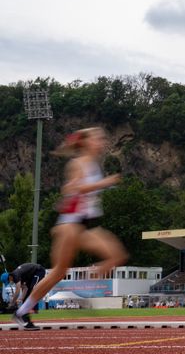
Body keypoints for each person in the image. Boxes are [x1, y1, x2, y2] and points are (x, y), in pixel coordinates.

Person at [12, 127, 128, 330]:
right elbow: (72, 188)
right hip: (70, 225)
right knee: (58, 272)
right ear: (86, 143)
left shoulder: (93, 165)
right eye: (97, 138)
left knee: (117, 255)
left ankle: (90, 278)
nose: (101, 142)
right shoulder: (77, 164)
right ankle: (21, 312)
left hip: (84, 225)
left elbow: (77, 193)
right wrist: (103, 183)